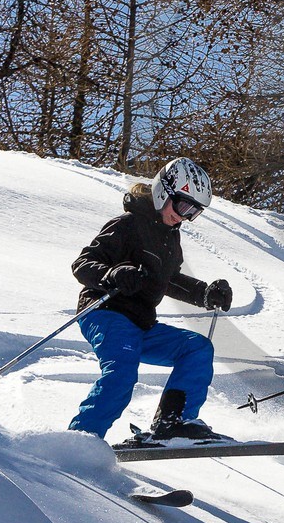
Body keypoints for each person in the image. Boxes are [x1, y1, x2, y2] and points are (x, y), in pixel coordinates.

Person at [68, 157, 233, 441]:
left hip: (141, 323)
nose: (184, 216)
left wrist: (204, 293)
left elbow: (168, 281)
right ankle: (78, 441)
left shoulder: (169, 238)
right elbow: (83, 263)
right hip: (107, 311)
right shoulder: (128, 225)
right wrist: (113, 274)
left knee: (197, 348)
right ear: (163, 190)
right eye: (183, 206)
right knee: (121, 375)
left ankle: (173, 420)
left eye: (194, 212)